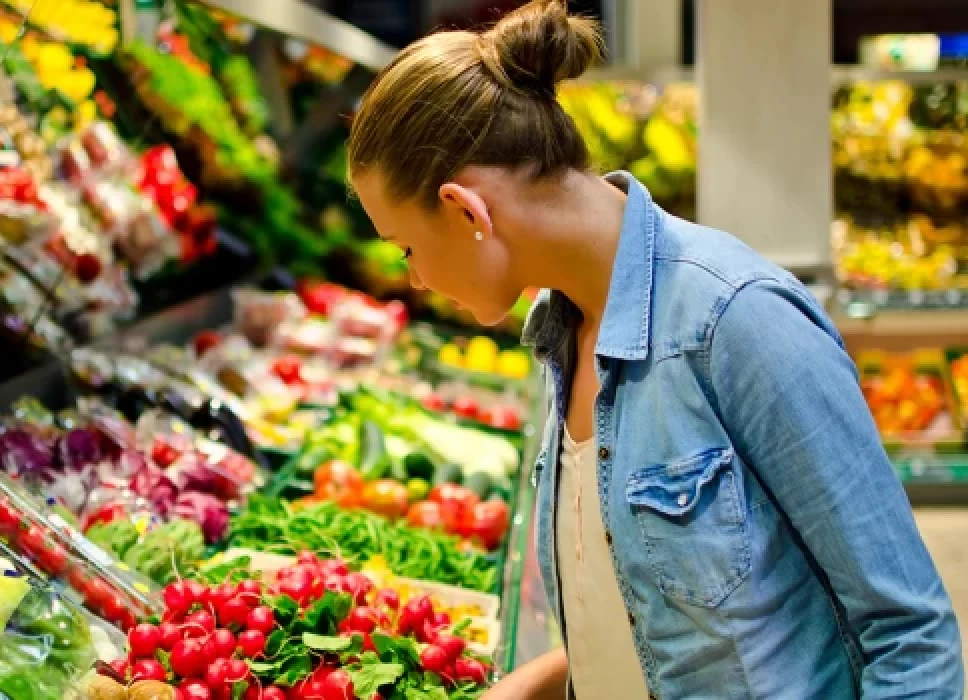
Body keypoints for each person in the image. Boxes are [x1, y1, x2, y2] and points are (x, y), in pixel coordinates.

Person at [346, 1, 964, 698]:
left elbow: (910, 636)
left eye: (406, 248)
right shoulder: (562, 331)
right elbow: (654, 618)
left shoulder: (737, 320)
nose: (415, 279)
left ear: (467, 211)